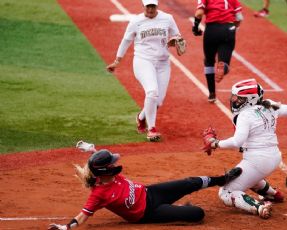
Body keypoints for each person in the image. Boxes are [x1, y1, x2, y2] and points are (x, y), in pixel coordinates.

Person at [48, 149, 242, 229]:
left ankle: (222, 179)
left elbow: (98, 161)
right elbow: (83, 215)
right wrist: (66, 227)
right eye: (112, 164)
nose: (116, 163)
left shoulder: (109, 175)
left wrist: (93, 150)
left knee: (189, 182)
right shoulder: (99, 194)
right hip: (147, 212)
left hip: (151, 192)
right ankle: (180, 209)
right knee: (197, 213)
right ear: (104, 171)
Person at [203, 78, 287, 218]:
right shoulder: (268, 106)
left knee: (225, 192)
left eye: (239, 98)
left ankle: (259, 208)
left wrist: (215, 143)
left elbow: (237, 142)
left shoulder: (245, 115)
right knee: (244, 176)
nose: (234, 101)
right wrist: (273, 104)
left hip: (257, 160)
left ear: (250, 99)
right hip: (274, 157)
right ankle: (273, 195)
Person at [106, 0, 184, 141]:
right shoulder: (136, 21)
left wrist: (176, 42)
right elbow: (126, 40)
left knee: (158, 102)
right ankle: (152, 129)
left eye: (153, 6)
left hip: (163, 64)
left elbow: (180, 40)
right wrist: (117, 61)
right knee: (152, 92)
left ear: (157, 6)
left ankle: (141, 117)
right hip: (143, 61)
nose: (150, 9)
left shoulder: (167, 18)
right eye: (148, 6)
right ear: (143, 6)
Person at [192, 0, 243, 103]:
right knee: (224, 61)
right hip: (228, 29)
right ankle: (223, 67)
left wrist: (196, 27)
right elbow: (239, 17)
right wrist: (234, 27)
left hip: (211, 30)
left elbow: (199, 13)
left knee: (209, 61)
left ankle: (212, 94)